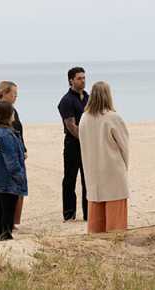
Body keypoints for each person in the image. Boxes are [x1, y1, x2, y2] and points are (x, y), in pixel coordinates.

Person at [79, 81, 129, 233]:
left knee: (96, 217)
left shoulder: (84, 118)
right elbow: (124, 147)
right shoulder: (113, 118)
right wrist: (125, 166)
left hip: (92, 170)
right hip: (112, 170)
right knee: (116, 219)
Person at [0, 101, 28, 241]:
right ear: (8, 115)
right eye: (12, 112)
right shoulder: (6, 135)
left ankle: (0, 236)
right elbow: (11, 161)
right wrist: (20, 176)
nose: (14, 114)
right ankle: (5, 235)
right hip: (7, 181)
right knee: (8, 210)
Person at [58, 67, 89, 221]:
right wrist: (85, 139)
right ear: (71, 80)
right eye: (79, 78)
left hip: (88, 144)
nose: (82, 80)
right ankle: (69, 214)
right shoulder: (66, 100)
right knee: (70, 179)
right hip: (72, 144)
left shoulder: (88, 98)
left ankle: (89, 213)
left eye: (84, 78)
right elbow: (71, 126)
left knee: (88, 178)